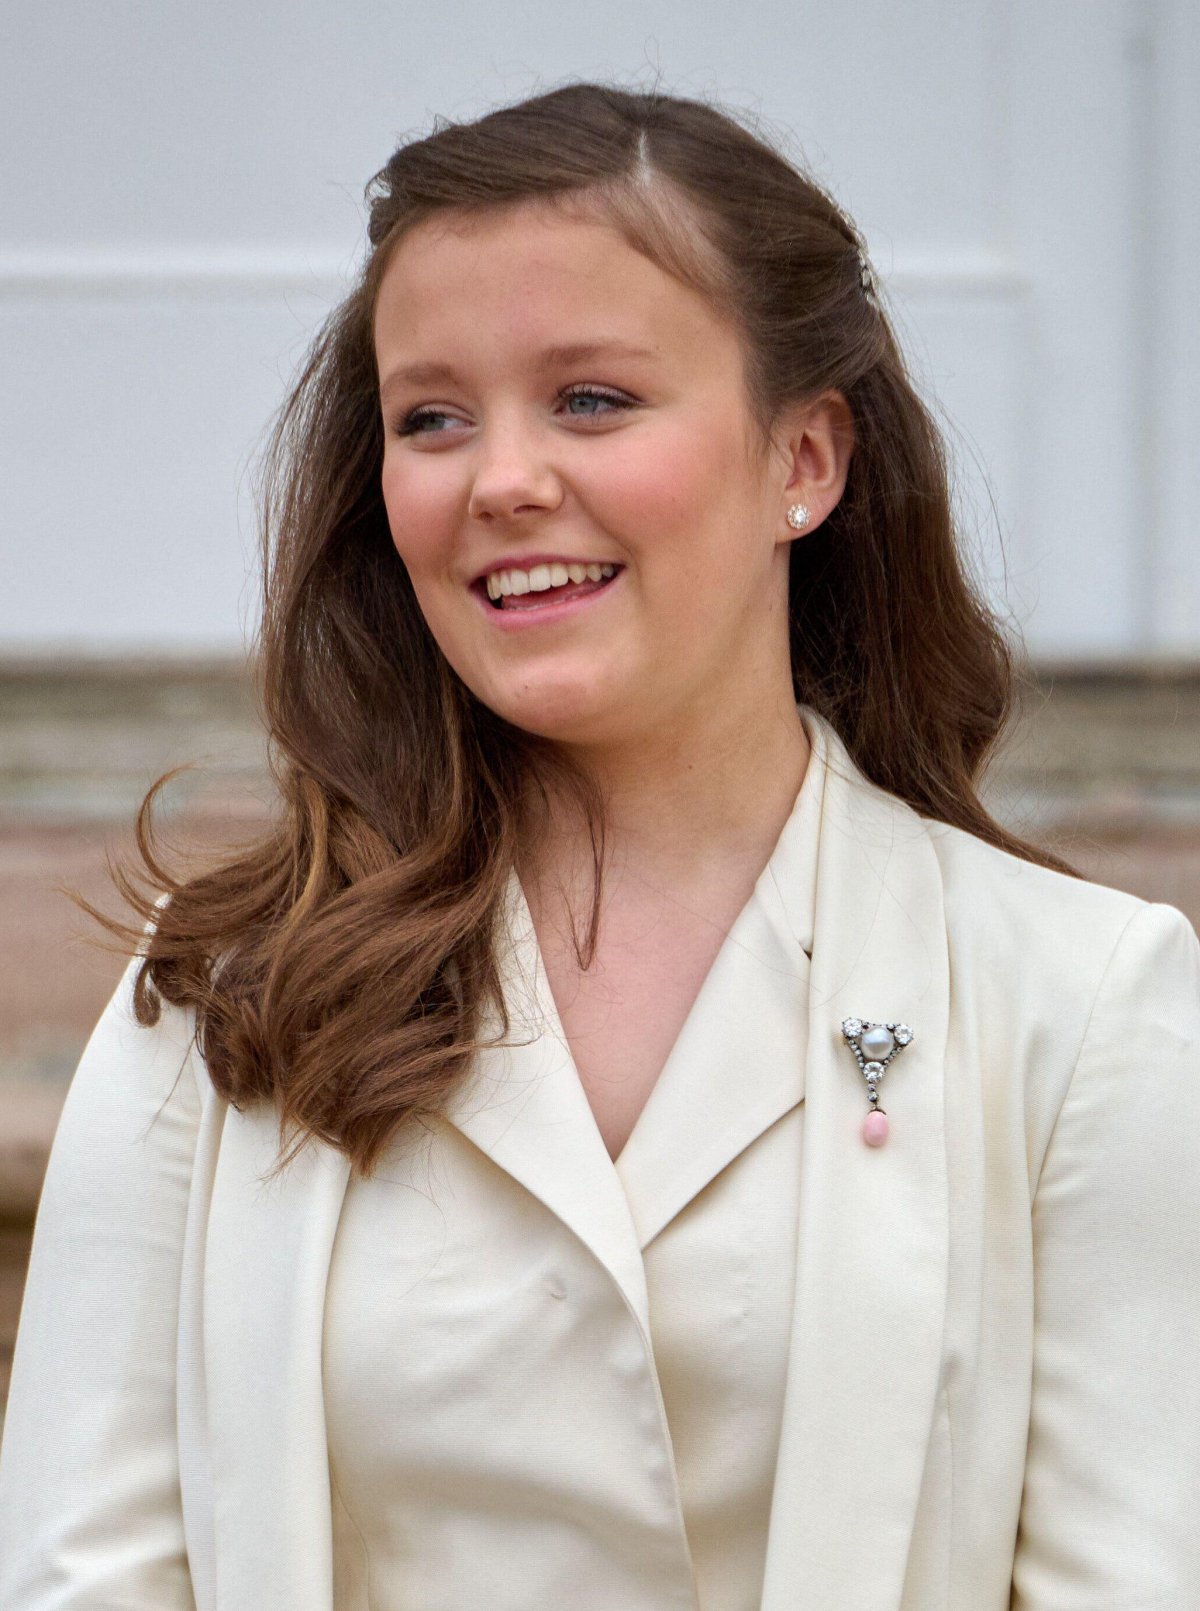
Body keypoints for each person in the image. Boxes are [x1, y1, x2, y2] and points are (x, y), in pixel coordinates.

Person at [0, 81, 1197, 1611]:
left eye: (593, 400)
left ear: (804, 462)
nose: (499, 480)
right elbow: (84, 1574)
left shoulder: (1083, 1003)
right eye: (432, 416)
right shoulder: (222, 993)